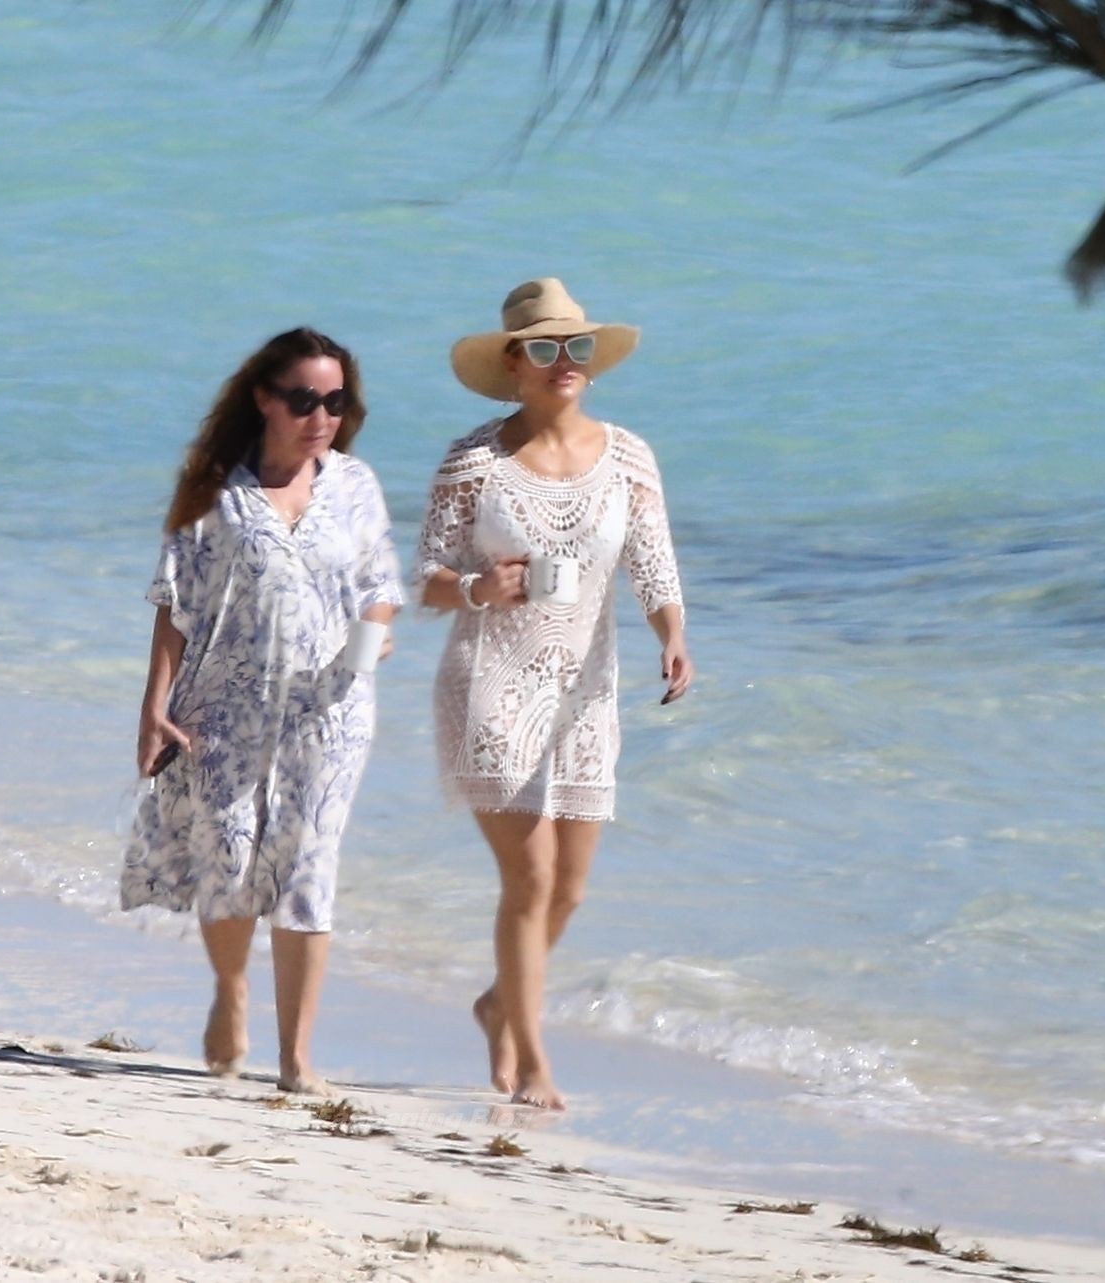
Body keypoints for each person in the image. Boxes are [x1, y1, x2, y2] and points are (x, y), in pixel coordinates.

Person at [415, 278, 692, 1110]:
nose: (563, 360)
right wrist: (478, 588)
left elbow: (654, 564)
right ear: (514, 363)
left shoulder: (629, 457)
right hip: (491, 682)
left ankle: (499, 1000)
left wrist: (673, 634)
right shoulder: (474, 462)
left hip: (585, 691)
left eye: (576, 346)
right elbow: (425, 579)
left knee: (569, 889)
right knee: (530, 879)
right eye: (543, 347)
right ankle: (531, 1060)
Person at [121, 327, 402, 1095]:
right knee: (230, 858)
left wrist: (373, 633)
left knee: (306, 868)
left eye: (336, 401)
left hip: (330, 711)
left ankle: (296, 1057)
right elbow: (175, 601)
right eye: (304, 399)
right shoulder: (215, 491)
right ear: (263, 398)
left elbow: (381, 585)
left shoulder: (356, 485)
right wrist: (153, 705)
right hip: (223, 704)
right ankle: (231, 987)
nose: (322, 416)